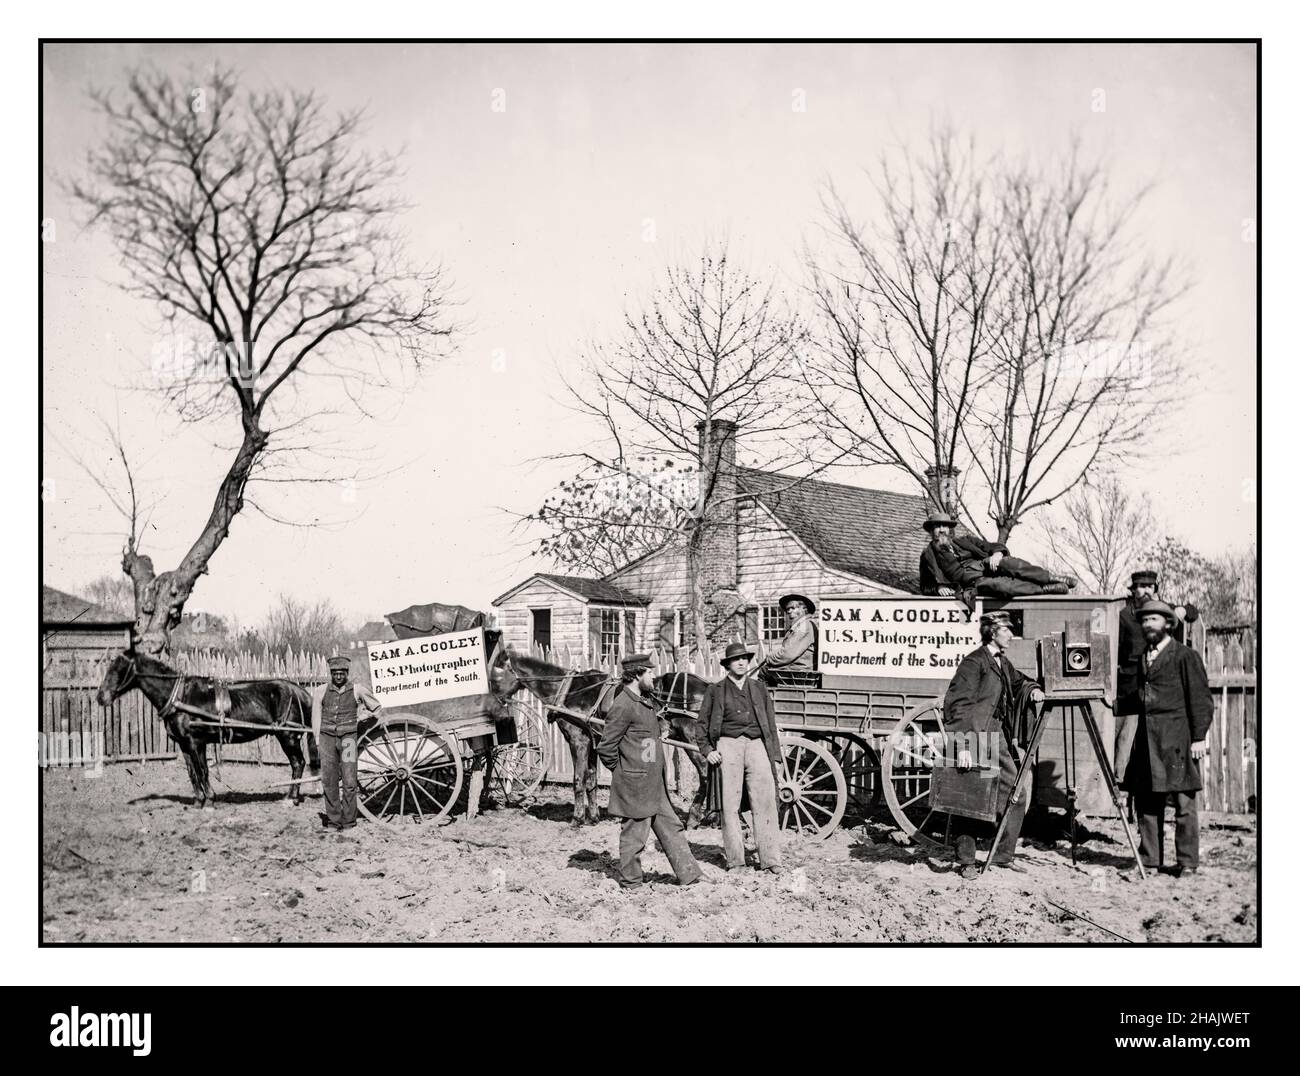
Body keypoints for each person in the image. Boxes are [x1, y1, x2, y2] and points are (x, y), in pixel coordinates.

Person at [944, 610, 1045, 878]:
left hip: (996, 737)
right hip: (976, 736)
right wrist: (962, 746)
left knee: (1016, 792)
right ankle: (966, 861)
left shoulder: (1001, 662)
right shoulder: (973, 662)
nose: (1011, 635)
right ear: (991, 631)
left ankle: (1002, 855)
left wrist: (1033, 690)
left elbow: (1019, 681)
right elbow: (958, 705)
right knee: (972, 797)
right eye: (1007, 629)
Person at [1120, 599, 1214, 878]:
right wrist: (1114, 704)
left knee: (1184, 805)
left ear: (1169, 624)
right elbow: (1141, 697)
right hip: (1148, 743)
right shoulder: (1142, 658)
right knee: (1148, 803)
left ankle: (1187, 863)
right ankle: (1149, 860)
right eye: (1145, 620)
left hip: (1178, 742)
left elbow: (1201, 700)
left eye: (1155, 620)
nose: (1149, 625)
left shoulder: (1185, 656)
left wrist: (1198, 738)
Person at [596, 653, 703, 889]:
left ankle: (690, 874)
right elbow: (606, 748)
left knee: (671, 826)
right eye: (649, 672)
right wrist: (625, 772)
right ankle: (631, 883)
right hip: (635, 784)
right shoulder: (623, 705)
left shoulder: (644, 701)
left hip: (654, 783)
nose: (653, 676)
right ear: (636, 675)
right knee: (635, 833)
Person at [699, 641, 784, 874]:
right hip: (728, 746)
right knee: (729, 805)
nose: (740, 662)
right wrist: (709, 751)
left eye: (744, 659)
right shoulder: (715, 691)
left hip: (757, 746)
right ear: (727, 664)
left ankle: (770, 859)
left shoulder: (759, 688)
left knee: (765, 802)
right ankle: (736, 861)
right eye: (735, 660)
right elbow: (701, 726)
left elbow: (771, 724)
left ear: (748, 662)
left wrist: (775, 757)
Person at [918, 510, 1076, 607]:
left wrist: (997, 554)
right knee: (1001, 586)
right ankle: (1045, 589)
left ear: (950, 529)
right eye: (937, 527)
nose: (941, 530)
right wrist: (938, 588)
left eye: (944, 526)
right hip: (972, 582)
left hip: (985, 565)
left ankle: (1052, 578)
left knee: (1008, 562)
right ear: (931, 531)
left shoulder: (965, 540)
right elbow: (925, 586)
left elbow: (992, 546)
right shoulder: (928, 555)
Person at [310, 655, 383, 830]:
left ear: (347, 673)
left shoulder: (357, 690)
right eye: (335, 673)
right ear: (331, 673)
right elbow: (316, 716)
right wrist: (318, 740)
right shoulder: (321, 691)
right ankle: (334, 821)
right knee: (329, 780)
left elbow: (377, 708)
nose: (338, 676)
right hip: (327, 740)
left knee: (350, 780)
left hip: (349, 740)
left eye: (342, 673)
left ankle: (349, 821)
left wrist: (361, 718)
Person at [1117, 570, 1200, 714]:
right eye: (1142, 586)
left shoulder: (1163, 610)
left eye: (1150, 586)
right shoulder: (1123, 616)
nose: (1146, 591)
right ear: (1134, 590)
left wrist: (1183, 609)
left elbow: (1193, 612)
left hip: (1159, 687)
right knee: (1128, 735)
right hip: (1131, 688)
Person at [763, 593, 819, 684]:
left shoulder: (804, 626)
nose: (789, 611)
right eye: (787, 609)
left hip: (800, 674)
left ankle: (763, 697)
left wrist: (769, 658)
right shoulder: (800, 625)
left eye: (792, 608)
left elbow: (788, 654)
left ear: (804, 609)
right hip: (797, 671)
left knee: (764, 671)